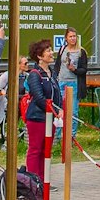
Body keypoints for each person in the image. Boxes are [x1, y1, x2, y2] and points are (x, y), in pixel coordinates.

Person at [20, 39, 61, 189]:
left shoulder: (52, 73)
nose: (52, 53)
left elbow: (57, 94)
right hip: (37, 118)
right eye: (48, 50)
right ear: (39, 56)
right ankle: (32, 181)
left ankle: (44, 181)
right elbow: (38, 97)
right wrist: (53, 111)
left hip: (51, 118)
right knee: (35, 149)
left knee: (46, 151)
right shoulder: (34, 74)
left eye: (51, 50)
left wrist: (60, 109)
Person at [53, 27, 87, 145]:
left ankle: (70, 138)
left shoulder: (81, 51)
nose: (73, 38)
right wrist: (54, 78)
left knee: (72, 112)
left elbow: (84, 70)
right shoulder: (62, 49)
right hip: (61, 81)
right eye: (70, 36)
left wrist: (74, 69)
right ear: (66, 38)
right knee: (59, 110)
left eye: (74, 36)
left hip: (74, 83)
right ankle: (56, 137)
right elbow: (57, 65)